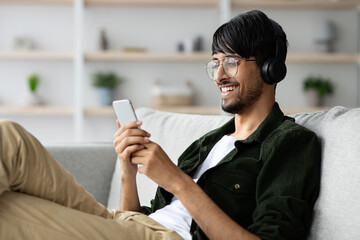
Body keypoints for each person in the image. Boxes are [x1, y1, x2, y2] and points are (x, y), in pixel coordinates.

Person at [0, 10, 321, 240]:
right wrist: (126, 169)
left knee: (8, 213)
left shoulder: (289, 142)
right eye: (215, 63)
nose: (220, 76)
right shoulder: (208, 143)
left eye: (232, 62)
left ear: (270, 69)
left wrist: (179, 182)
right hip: (127, 225)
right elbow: (138, 221)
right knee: (10, 138)